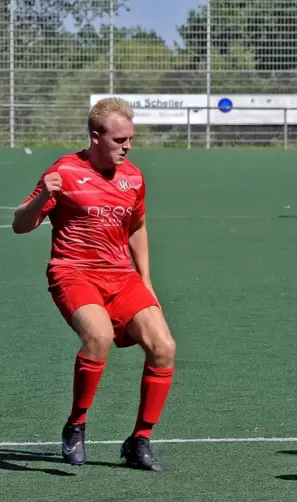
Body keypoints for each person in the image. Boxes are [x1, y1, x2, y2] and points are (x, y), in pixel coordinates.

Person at [12, 97, 176, 471]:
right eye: (120, 140)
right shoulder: (65, 172)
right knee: (98, 337)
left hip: (121, 276)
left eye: (130, 139)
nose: (127, 146)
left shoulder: (133, 177)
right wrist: (42, 196)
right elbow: (22, 224)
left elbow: (137, 228)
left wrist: (146, 282)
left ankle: (139, 441)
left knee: (164, 346)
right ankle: (76, 425)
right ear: (96, 136)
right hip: (74, 272)